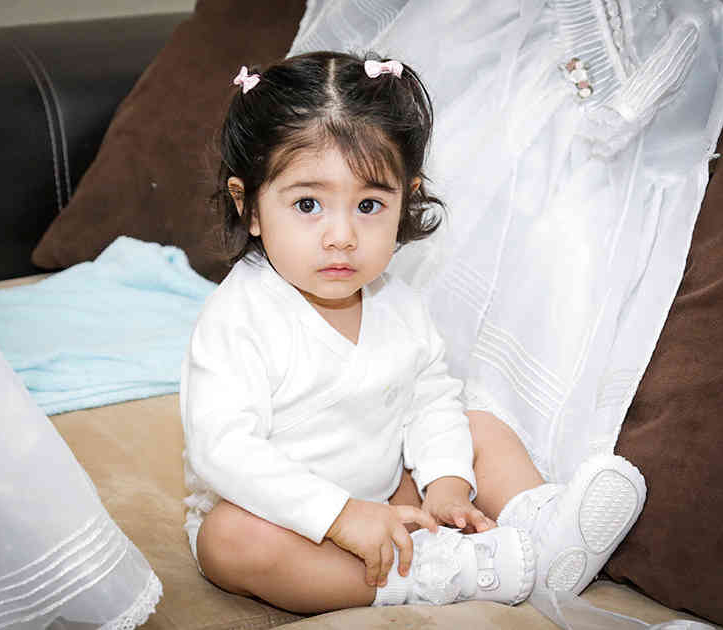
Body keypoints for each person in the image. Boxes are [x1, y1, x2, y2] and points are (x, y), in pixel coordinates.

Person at [180, 50, 646, 615]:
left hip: (386, 495)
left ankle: (540, 526)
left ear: (407, 198)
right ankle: (437, 572)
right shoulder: (240, 318)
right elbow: (224, 450)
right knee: (230, 541)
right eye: (307, 204)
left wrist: (447, 482)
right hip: (284, 517)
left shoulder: (396, 303)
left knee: (479, 423)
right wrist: (341, 517)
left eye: (369, 204)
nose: (341, 235)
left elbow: (429, 401)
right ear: (249, 206)